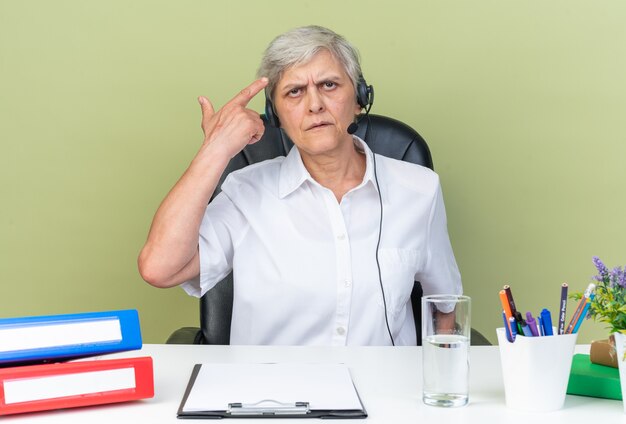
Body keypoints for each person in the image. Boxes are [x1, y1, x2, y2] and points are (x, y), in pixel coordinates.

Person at [138, 25, 462, 346]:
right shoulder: (245, 191)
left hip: (381, 394)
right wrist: (216, 149)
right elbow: (159, 269)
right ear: (275, 115)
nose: (315, 104)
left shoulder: (420, 190)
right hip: (272, 393)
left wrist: (440, 380)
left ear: (360, 99)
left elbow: (445, 304)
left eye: (329, 85)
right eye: (294, 91)